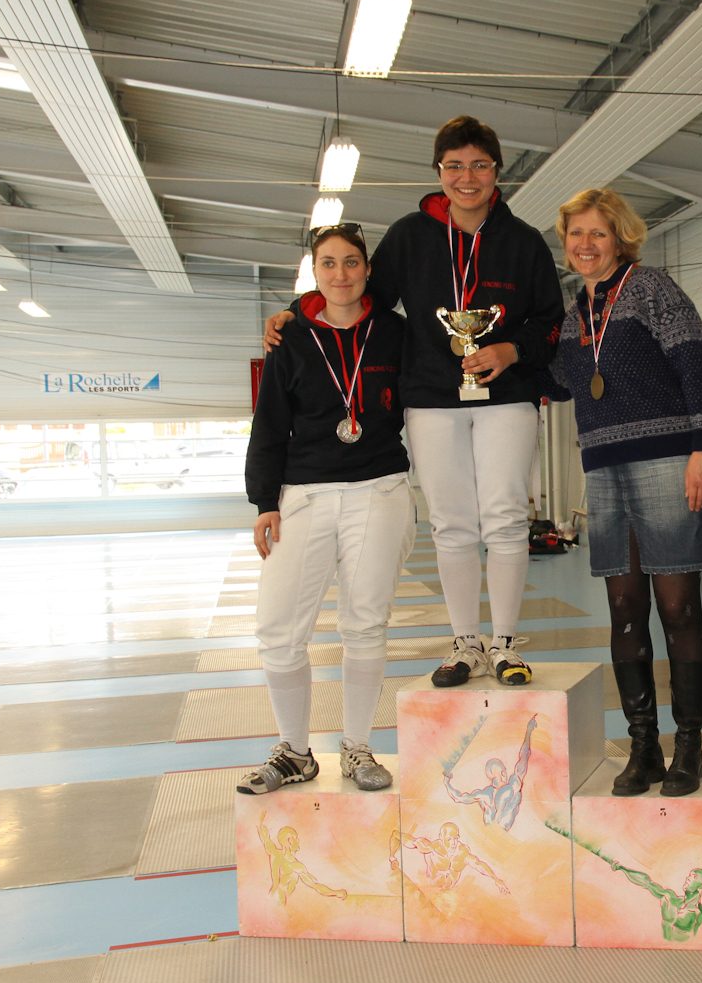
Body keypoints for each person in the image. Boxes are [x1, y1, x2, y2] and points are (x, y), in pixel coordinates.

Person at [264, 115, 564, 690]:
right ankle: (465, 643)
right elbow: (359, 291)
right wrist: (299, 310)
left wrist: (510, 350)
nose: (467, 177)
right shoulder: (409, 236)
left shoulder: (524, 241)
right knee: (451, 523)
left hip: (507, 397)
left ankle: (504, 644)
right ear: (438, 171)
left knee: (505, 517)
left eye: (479, 165)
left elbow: (552, 322)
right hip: (429, 398)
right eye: (454, 166)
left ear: (497, 171)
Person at [544, 188, 702, 797]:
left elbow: (698, 364)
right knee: (624, 610)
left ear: (620, 236)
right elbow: (561, 384)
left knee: (679, 609)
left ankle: (690, 748)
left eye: (597, 232)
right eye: (575, 234)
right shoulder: (574, 313)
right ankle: (643, 748)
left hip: (668, 461)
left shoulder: (652, 289)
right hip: (603, 469)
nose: (585, 244)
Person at [239, 224, 413, 796]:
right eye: (329, 264)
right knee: (277, 629)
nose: (341, 273)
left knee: (365, 623)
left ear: (368, 270)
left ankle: (357, 746)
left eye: (352, 262)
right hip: (305, 493)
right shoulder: (289, 338)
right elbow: (269, 423)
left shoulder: (395, 332)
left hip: (379, 489)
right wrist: (265, 501)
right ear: (314, 274)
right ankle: (294, 752)